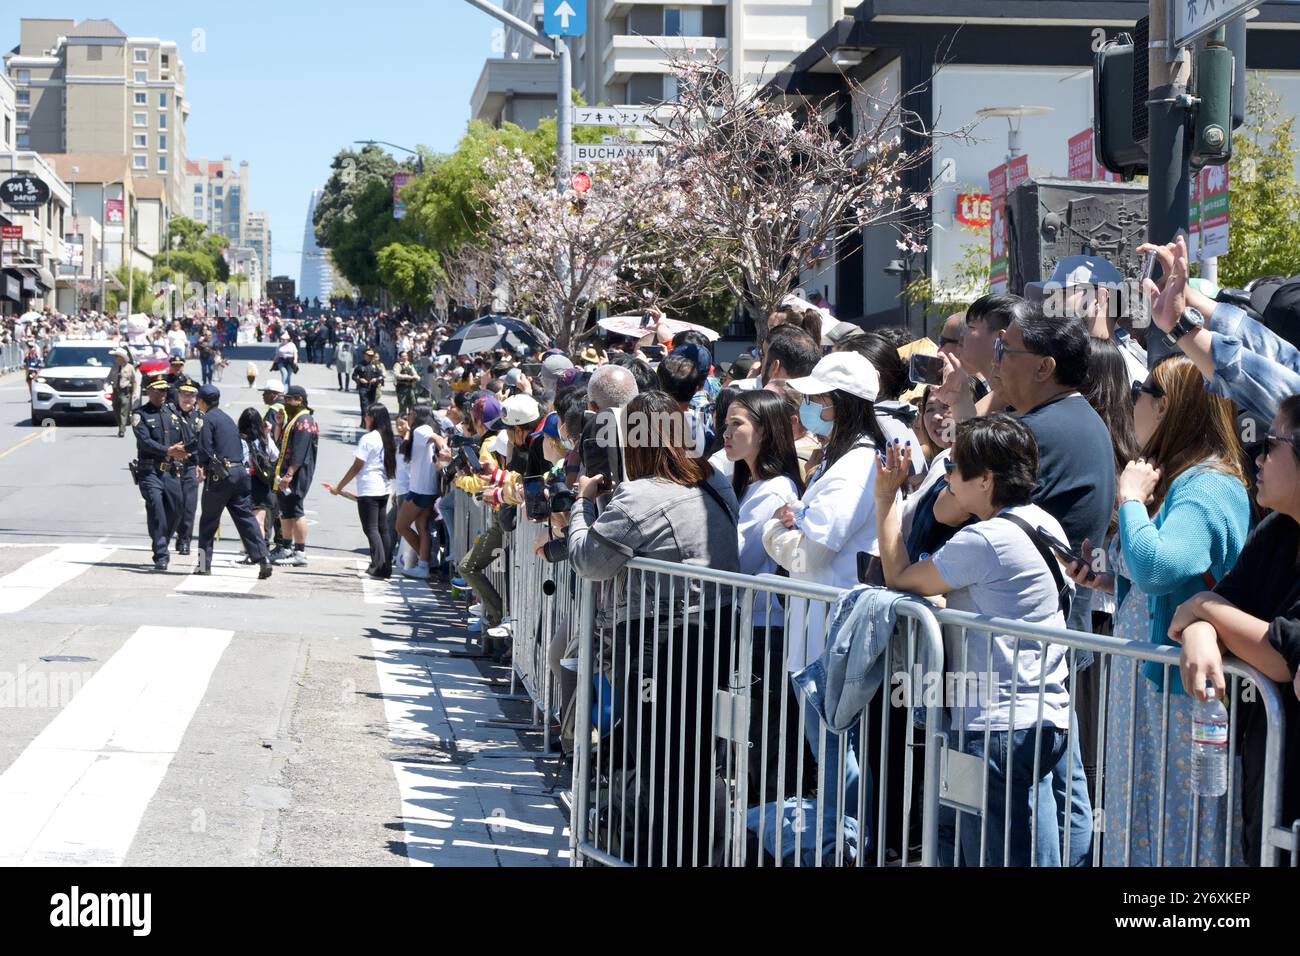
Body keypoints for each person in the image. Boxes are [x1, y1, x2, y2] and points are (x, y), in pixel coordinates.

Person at [1061, 355, 1250, 866]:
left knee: (1176, 825)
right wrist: (1103, 578)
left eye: (1139, 395)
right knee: (1139, 814)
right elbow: (1150, 582)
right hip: (1149, 691)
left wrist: (1129, 501)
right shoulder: (1181, 479)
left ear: (1164, 406)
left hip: (1180, 699)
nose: (1131, 407)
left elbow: (1160, 568)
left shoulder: (1208, 484)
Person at [874, 414, 1073, 866]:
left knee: (993, 854)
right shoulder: (1044, 523)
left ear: (985, 480)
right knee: (1031, 852)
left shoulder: (986, 538)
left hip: (995, 727)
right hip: (1043, 716)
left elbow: (900, 577)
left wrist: (885, 497)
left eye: (955, 468)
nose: (946, 476)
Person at [567, 389, 741, 866]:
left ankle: (653, 850)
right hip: (716, 632)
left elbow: (589, 560)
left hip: (658, 642)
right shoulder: (714, 482)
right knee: (693, 754)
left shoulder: (640, 495)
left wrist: (584, 505)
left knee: (657, 754)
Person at [1171, 393, 1300, 863]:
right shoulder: (1278, 531)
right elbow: (1221, 606)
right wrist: (1202, 627)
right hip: (1270, 771)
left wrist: (1203, 606)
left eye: (1271, 445)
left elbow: (1285, 658)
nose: (1257, 458)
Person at [723, 388, 807, 806]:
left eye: (737, 424)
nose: (726, 432)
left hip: (766, 633)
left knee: (768, 740)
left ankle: (769, 827)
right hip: (750, 630)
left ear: (766, 431)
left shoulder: (775, 489)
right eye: (726, 423)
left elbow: (739, 556)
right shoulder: (751, 484)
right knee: (750, 737)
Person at [191, 385, 273, 580]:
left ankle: (203, 565)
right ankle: (263, 559)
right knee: (246, 519)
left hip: (220, 477)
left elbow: (204, 449)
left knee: (208, 523)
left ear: (202, 401)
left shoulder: (206, 419)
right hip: (240, 475)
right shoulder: (227, 419)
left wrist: (198, 462)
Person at [332, 403, 397, 579]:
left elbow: (356, 467)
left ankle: (379, 565)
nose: (365, 418)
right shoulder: (387, 437)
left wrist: (339, 487)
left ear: (373, 418)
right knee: (382, 529)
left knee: (371, 529)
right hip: (383, 488)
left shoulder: (368, 439)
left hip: (369, 488)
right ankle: (386, 567)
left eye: (367, 415)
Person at [132, 377, 188, 572]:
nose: (163, 394)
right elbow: (145, 441)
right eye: (159, 391)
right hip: (150, 471)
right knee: (156, 508)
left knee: (176, 509)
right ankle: (161, 554)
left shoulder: (172, 412)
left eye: (165, 391)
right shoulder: (140, 414)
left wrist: (184, 450)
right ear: (149, 392)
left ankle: (161, 537)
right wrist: (167, 451)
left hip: (172, 471)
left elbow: (184, 435)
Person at [270, 385, 319, 567]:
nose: (286, 403)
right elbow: (280, 444)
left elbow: (300, 452)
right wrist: (279, 424)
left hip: (297, 473)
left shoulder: (304, 420)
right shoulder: (294, 419)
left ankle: (300, 552)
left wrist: (289, 474)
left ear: (299, 399)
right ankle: (286, 547)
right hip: (286, 473)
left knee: (296, 510)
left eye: (289, 400)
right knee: (286, 511)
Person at [396, 407, 442, 580]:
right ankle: (424, 565)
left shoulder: (422, 430)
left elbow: (435, 438)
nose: (408, 417)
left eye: (410, 414)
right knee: (422, 527)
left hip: (420, 490)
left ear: (417, 416)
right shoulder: (417, 431)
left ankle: (427, 562)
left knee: (401, 526)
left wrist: (443, 447)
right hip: (424, 488)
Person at [237, 406, 278, 564]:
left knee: (246, 521)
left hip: (245, 482)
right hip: (262, 483)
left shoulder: (239, 438)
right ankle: (261, 554)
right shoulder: (263, 439)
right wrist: (267, 433)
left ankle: (250, 552)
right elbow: (274, 456)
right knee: (259, 522)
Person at [171, 382, 205, 557]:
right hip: (170, 465)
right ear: (178, 395)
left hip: (190, 466)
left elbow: (204, 444)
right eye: (184, 394)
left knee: (189, 506)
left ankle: (185, 540)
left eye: (191, 395)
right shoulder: (168, 413)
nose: (187, 398)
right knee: (172, 505)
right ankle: (171, 534)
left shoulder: (200, 417)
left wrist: (201, 465)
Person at [110, 347, 137, 438]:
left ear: (122, 358)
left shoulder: (130, 368)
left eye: (117, 357)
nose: (115, 358)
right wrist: (105, 385)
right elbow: (109, 378)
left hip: (125, 393)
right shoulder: (114, 367)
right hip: (115, 392)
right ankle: (120, 425)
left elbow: (134, 381)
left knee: (123, 411)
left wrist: (134, 393)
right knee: (116, 410)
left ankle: (122, 430)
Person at [352, 347, 385, 417]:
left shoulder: (375, 366)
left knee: (371, 406)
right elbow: (354, 376)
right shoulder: (360, 365)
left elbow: (381, 376)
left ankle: (370, 422)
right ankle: (364, 422)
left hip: (373, 388)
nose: (370, 357)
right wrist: (360, 380)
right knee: (364, 405)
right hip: (363, 388)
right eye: (368, 355)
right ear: (364, 355)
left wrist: (376, 379)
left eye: (371, 356)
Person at [393, 349, 420, 415]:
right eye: (403, 356)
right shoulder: (398, 365)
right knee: (402, 404)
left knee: (412, 403)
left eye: (406, 356)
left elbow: (414, 372)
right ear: (400, 357)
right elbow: (397, 375)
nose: (405, 357)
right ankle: (402, 418)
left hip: (410, 387)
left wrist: (416, 377)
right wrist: (408, 377)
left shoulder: (409, 364)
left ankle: (411, 418)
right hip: (402, 387)